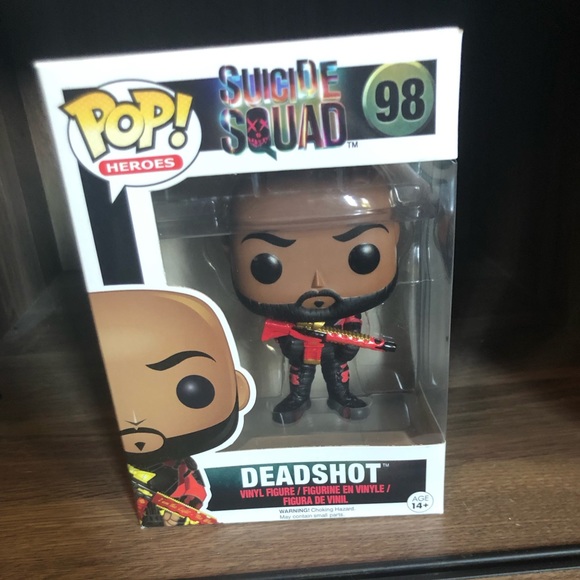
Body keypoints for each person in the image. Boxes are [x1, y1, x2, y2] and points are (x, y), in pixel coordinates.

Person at [230, 167, 399, 424]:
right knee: (300, 377)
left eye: (362, 255)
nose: (318, 284)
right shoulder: (290, 319)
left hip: (333, 346)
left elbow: (353, 323)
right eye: (267, 264)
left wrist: (350, 344)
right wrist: (291, 344)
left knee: (338, 375)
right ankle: (298, 399)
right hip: (303, 346)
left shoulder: (347, 313)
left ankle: (341, 397)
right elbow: (282, 332)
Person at [90, 288, 253, 525]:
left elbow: (194, 490)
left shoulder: (180, 466)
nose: (136, 420)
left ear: (239, 389)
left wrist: (181, 510)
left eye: (192, 389)